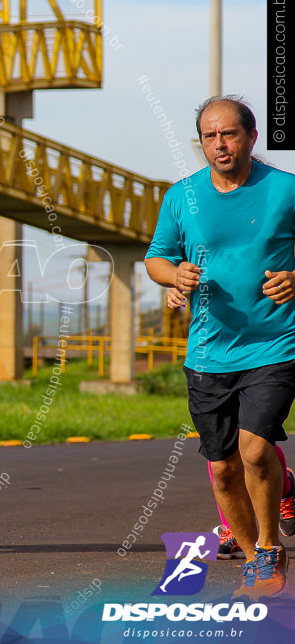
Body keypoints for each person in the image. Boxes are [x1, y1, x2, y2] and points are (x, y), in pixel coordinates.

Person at [146, 95, 295, 600]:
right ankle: (252, 556)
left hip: (276, 341)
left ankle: (271, 548)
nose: (219, 144)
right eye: (209, 136)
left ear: (252, 137)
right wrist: (174, 276)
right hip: (209, 350)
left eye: (229, 134)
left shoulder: (284, 190)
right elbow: (157, 257)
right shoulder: (182, 197)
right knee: (225, 465)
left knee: (255, 450)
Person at [166, 282, 295, 560]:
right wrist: (175, 281)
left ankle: (285, 491)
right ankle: (234, 530)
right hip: (212, 354)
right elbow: (165, 260)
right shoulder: (198, 240)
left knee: (256, 443)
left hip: (270, 346)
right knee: (223, 455)